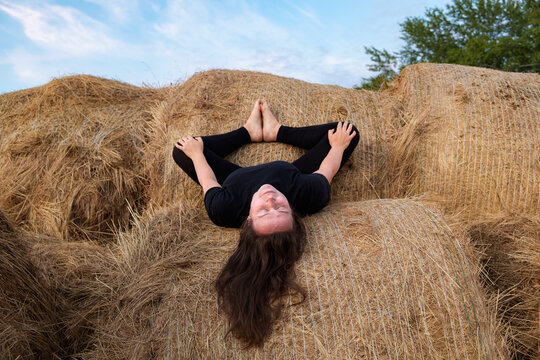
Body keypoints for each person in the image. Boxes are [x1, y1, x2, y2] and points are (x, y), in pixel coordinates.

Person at [172, 99, 359, 347]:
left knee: (182, 149)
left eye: (263, 212)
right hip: (287, 171)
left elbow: (208, 178)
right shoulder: (307, 194)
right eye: (281, 208)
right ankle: (276, 131)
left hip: (234, 178)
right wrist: (336, 147)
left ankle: (246, 132)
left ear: (247, 220)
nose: (270, 199)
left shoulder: (224, 208)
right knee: (347, 133)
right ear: (293, 211)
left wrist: (196, 153)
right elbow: (328, 168)